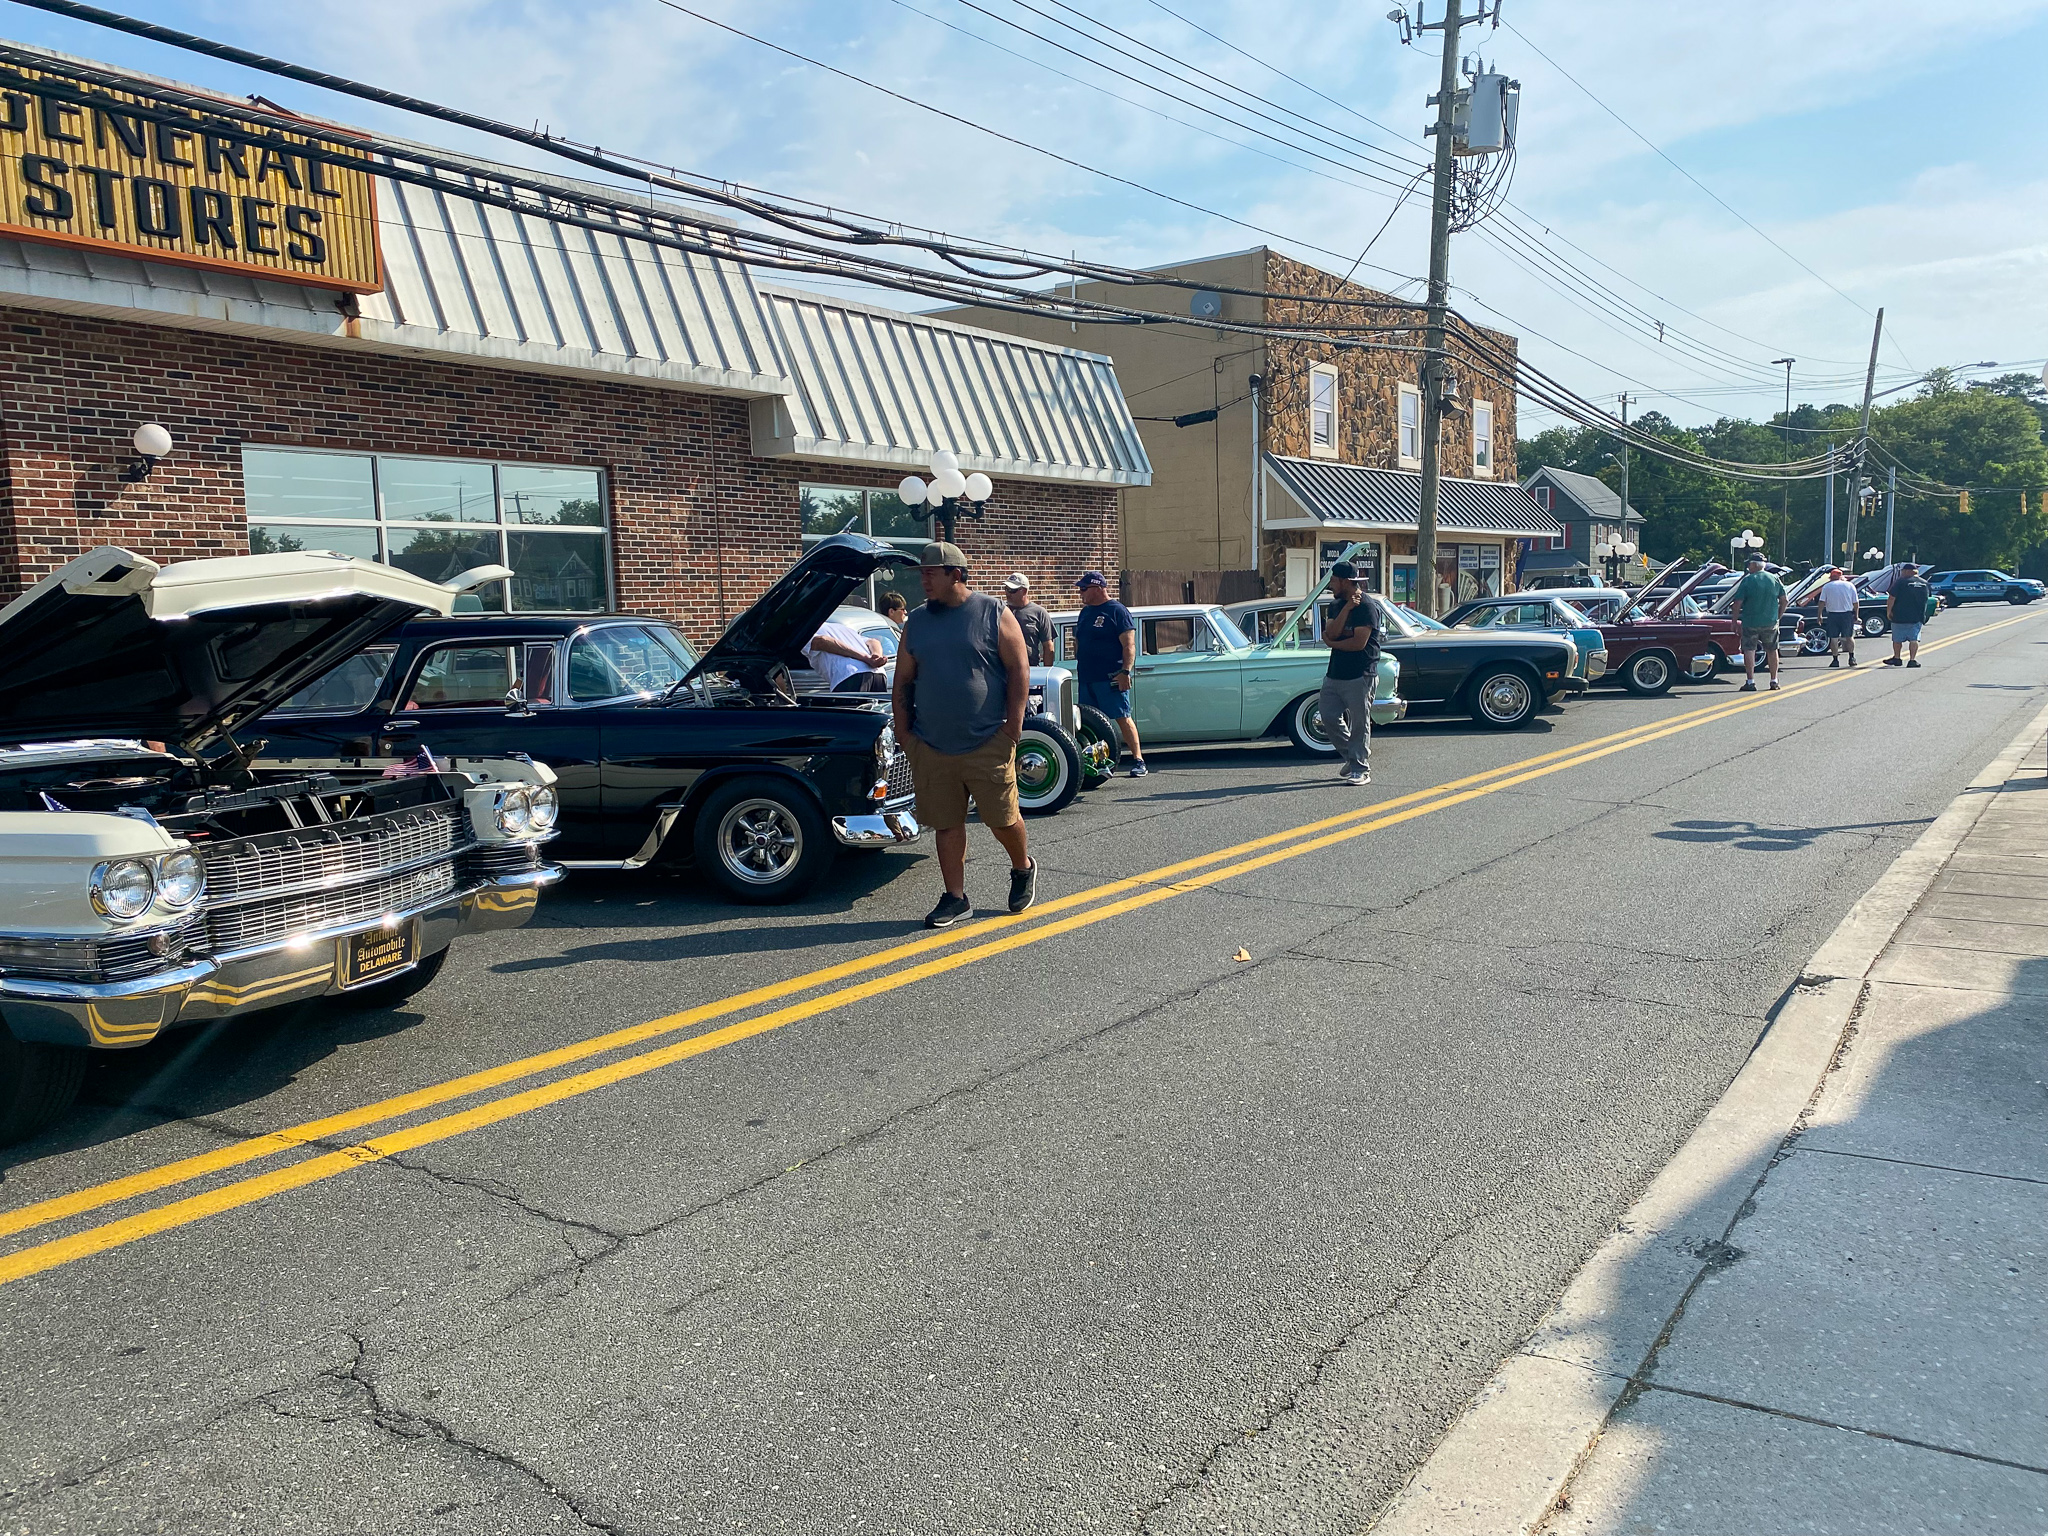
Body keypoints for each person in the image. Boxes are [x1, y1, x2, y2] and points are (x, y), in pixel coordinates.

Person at [894, 541, 1035, 929]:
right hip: (931, 743)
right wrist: (905, 734)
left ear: (955, 574)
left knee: (1002, 819)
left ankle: (1022, 867)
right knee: (946, 823)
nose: (923, 580)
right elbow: (903, 679)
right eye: (921, 573)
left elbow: (1019, 669)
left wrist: (1012, 728)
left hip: (987, 740)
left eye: (930, 573)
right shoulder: (916, 621)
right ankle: (956, 898)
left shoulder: (993, 612)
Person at [1072, 571, 1146, 776]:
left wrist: (1125, 671)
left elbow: (1129, 645)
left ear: (1098, 588)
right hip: (1087, 677)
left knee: (1122, 717)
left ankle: (1138, 760)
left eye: (1084, 589)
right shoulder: (1085, 612)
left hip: (1110, 677)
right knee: (1091, 721)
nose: (1080, 593)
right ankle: (1100, 763)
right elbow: (1078, 640)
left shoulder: (1117, 611)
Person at [1320, 562, 1380, 785]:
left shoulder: (1366, 606)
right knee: (1327, 716)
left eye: (1333, 580)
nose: (1330, 584)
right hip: (1335, 672)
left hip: (1360, 673)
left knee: (1359, 723)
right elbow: (1332, 632)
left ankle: (1360, 769)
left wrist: (1332, 643)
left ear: (1345, 581)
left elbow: (1358, 643)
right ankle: (1353, 756)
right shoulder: (1336, 605)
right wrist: (1346, 609)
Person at [1732, 555, 1786, 692]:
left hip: (1750, 621)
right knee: (1772, 650)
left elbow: (1737, 603)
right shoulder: (1774, 579)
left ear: (1754, 565)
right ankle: (1774, 680)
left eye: (1749, 564)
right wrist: (1778, 616)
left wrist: (1734, 621)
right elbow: (1784, 600)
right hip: (1770, 621)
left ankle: (1750, 681)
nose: (1748, 567)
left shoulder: (1748, 580)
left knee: (1749, 649)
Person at [804, 617, 888, 693]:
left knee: (849, 706)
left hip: (850, 674)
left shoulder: (804, 631)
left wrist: (866, 658)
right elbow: (873, 641)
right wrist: (876, 656)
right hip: (879, 674)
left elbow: (821, 641)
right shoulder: (840, 627)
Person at [1885, 561, 1932, 668]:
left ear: (1907, 571)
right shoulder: (1925, 583)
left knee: (1897, 639)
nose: (1901, 573)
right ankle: (1912, 660)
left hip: (1899, 615)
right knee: (1914, 638)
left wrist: (1889, 611)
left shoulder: (1901, 582)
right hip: (1917, 616)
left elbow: (1891, 598)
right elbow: (1928, 598)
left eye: (1902, 571)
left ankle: (1897, 658)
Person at [1001, 573, 1055, 665]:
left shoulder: (1039, 613)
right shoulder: (1000, 611)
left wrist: (1047, 671)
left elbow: (1048, 647)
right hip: (1003, 669)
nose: (1008, 593)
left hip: (1030, 668)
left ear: (1024, 591)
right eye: (1006, 589)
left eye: (1012, 590)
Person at [1818, 565, 1860, 669]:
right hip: (1846, 614)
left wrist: (1819, 615)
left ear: (1831, 577)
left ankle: (1835, 659)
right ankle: (1852, 657)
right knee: (1849, 636)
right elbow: (1855, 602)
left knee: (1833, 638)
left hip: (1832, 615)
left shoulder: (1827, 586)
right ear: (1841, 576)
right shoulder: (1850, 585)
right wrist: (1856, 615)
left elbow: (1822, 602)